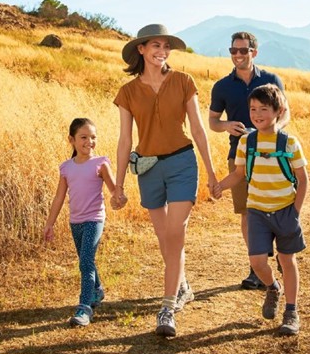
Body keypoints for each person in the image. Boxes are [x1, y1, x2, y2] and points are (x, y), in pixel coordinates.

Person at [110, 23, 218, 338]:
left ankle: (167, 308)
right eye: (155, 46)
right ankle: (182, 285)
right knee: (163, 237)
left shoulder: (184, 81)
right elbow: (124, 141)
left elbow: (198, 130)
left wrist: (211, 173)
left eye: (166, 46)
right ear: (141, 50)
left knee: (175, 232)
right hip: (148, 168)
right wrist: (117, 185)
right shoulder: (127, 92)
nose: (162, 51)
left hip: (183, 163)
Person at [213, 84, 308, 336]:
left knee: (287, 260)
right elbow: (239, 174)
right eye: (253, 109)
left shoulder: (289, 143)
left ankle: (291, 311)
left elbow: (303, 178)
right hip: (256, 211)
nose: (256, 114)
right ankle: (273, 288)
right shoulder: (247, 141)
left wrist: (295, 212)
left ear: (279, 111)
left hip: (285, 210)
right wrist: (220, 186)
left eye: (263, 109)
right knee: (257, 262)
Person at [208, 31, 290, 289]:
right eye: (234, 51)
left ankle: (282, 256)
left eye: (243, 50)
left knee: (276, 206)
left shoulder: (271, 79)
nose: (238, 55)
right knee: (247, 211)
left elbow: (286, 113)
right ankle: (257, 265)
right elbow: (212, 122)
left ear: (254, 52)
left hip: (274, 154)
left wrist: (273, 131)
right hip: (240, 155)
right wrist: (226, 126)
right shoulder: (221, 86)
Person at [44, 117, 117, 327]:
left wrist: (118, 198)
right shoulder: (66, 168)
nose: (89, 142)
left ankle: (84, 308)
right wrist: (49, 223)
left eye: (93, 137)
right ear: (72, 140)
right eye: (84, 137)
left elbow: (113, 191)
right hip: (75, 222)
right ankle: (97, 290)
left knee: (85, 262)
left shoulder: (100, 163)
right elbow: (59, 198)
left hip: (94, 219)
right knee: (88, 261)